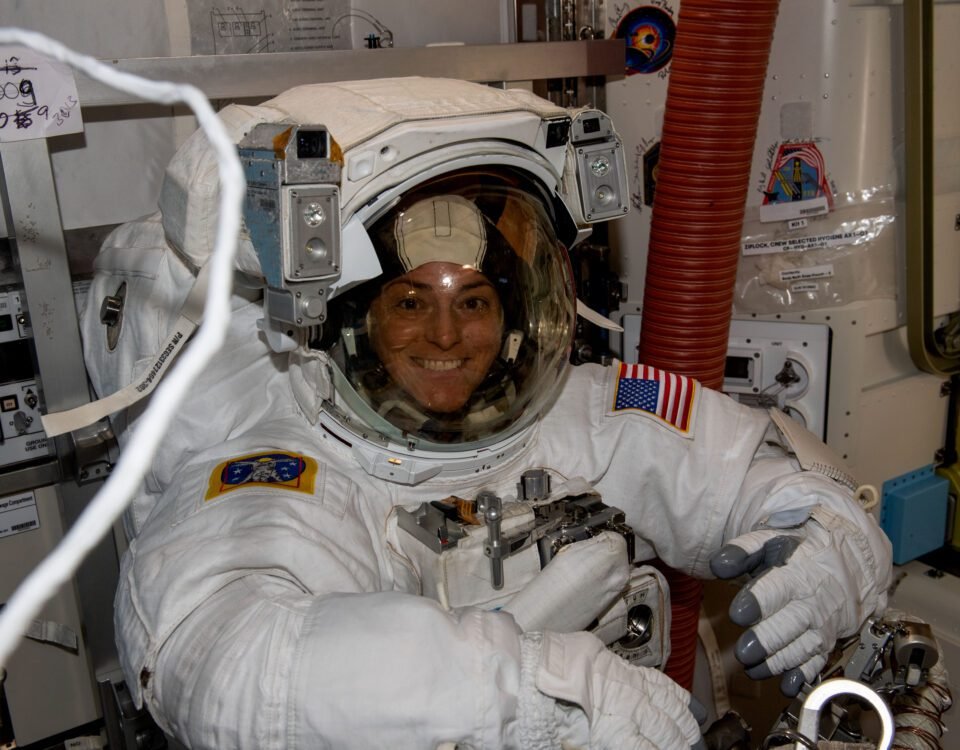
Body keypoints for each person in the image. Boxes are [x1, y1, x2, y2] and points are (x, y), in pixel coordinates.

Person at [78, 78, 892, 749]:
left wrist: (830, 546)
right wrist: (542, 695)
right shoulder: (285, 462)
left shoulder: (576, 409)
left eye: (473, 300)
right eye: (408, 303)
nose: (445, 334)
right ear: (351, 320)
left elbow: (750, 470)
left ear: (512, 312)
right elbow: (227, 661)